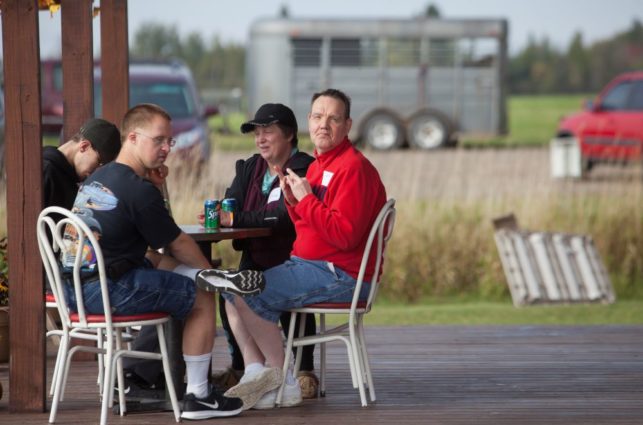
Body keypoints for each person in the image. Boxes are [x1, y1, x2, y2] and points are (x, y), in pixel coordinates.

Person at [61, 103, 266, 420]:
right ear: (132, 138)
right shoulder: (137, 189)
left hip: (74, 288)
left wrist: (155, 186)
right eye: (159, 140)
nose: (168, 148)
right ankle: (199, 396)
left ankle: (208, 278)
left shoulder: (101, 176)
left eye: (170, 141)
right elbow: (179, 242)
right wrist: (206, 271)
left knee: (152, 259)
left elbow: (153, 239)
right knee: (200, 296)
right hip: (105, 290)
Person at [202, 88, 387, 410]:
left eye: (333, 118)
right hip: (312, 265)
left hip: (342, 274)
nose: (323, 125)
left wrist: (306, 200)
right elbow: (311, 225)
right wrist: (293, 199)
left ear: (347, 125)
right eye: (317, 117)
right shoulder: (317, 166)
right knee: (233, 288)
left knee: (247, 292)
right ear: (308, 122)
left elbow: (344, 236)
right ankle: (257, 372)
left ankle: (283, 380)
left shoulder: (352, 168)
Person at [211, 103, 319, 399]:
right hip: (255, 254)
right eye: (256, 132)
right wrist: (225, 213)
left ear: (289, 136)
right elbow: (231, 203)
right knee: (229, 287)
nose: (260, 138)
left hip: (292, 254)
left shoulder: (304, 167)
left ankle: (305, 370)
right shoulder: (249, 167)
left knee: (285, 291)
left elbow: (281, 215)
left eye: (267, 131)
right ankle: (243, 368)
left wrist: (233, 218)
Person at [43, 117, 121, 210]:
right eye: (99, 162)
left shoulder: (68, 176)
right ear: (84, 146)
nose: (97, 171)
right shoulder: (45, 170)